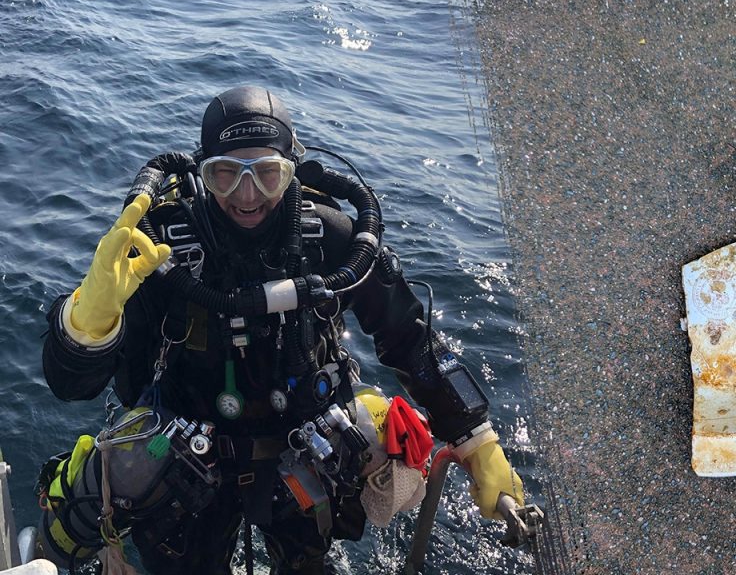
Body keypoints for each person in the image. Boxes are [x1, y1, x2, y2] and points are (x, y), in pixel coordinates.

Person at [40, 86, 524, 574]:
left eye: (268, 174)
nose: (247, 196)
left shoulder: (330, 238)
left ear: (291, 169)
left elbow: (408, 337)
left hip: (304, 451)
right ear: (204, 174)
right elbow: (68, 386)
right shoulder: (160, 252)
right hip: (184, 460)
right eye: (226, 175)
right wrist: (88, 322)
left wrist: (475, 437)